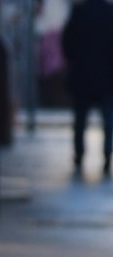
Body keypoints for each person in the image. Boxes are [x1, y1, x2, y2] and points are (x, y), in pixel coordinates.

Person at [61, 0, 113, 177]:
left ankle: (79, 156)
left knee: (80, 121)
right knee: (108, 121)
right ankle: (107, 155)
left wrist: (75, 62)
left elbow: (67, 42)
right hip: (106, 78)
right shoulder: (109, 13)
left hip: (82, 76)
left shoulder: (79, 13)